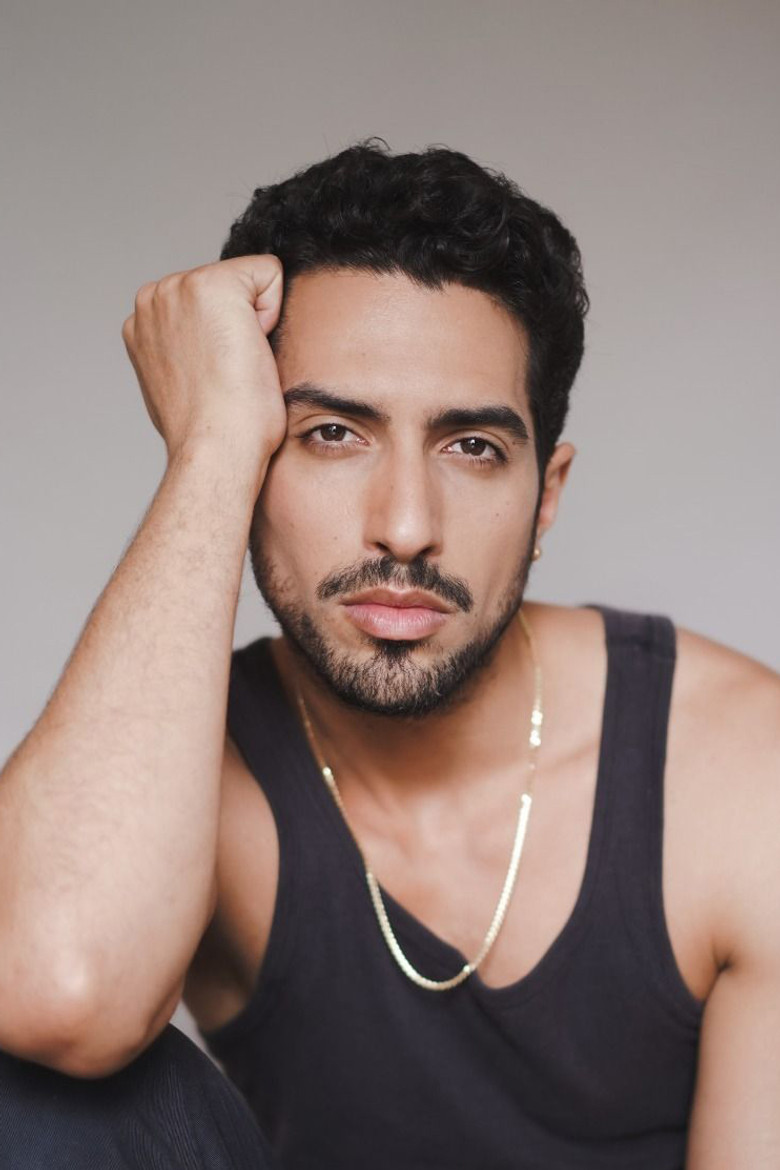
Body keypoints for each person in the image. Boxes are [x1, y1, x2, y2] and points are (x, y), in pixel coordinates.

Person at [0, 138, 778, 1170]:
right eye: (330, 434)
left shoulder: (740, 772)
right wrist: (209, 451)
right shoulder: (201, 765)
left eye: (473, 448)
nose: (406, 527)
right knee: (37, 1092)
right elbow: (56, 986)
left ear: (545, 497)